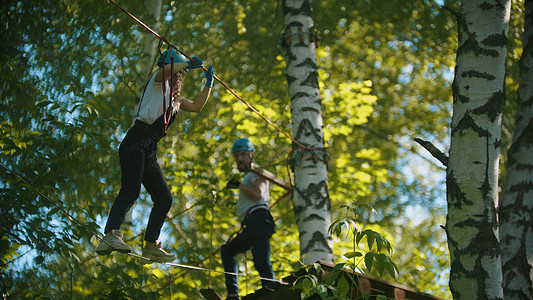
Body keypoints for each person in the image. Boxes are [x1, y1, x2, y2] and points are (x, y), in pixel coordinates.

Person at [96, 49, 215, 264]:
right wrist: (187, 65)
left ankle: (150, 245)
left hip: (149, 148)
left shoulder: (175, 99)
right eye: (175, 69)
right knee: (131, 190)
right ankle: (109, 235)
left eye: (178, 72)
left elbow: (196, 107)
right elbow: (165, 72)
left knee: (164, 198)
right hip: (136, 141)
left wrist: (208, 85)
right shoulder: (157, 81)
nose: (176, 74)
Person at [221, 138, 276, 300]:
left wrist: (239, 186)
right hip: (252, 223)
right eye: (236, 156)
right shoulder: (250, 175)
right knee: (227, 250)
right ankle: (232, 294)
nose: (239, 159)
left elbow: (258, 194)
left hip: (258, 219)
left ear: (251, 155)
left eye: (243, 155)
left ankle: (271, 291)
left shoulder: (256, 171)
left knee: (261, 261)